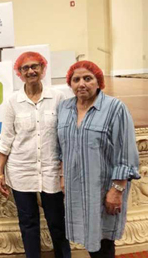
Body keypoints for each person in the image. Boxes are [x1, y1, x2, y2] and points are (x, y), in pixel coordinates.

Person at [58, 61, 140, 257]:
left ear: (98, 82)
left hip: (104, 189)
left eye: (88, 78)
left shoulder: (115, 108)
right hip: (77, 189)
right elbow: (62, 147)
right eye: (76, 79)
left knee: (103, 242)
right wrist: (62, 175)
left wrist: (117, 190)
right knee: (89, 239)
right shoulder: (64, 108)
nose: (81, 84)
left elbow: (126, 153)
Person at [0, 52, 71, 258]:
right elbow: (6, 138)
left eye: (35, 66)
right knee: (28, 224)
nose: (31, 71)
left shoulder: (59, 98)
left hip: (51, 170)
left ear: (43, 68)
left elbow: (65, 136)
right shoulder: (13, 101)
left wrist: (64, 171)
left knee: (57, 223)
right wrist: (0, 173)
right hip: (21, 170)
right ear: (19, 74)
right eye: (25, 68)